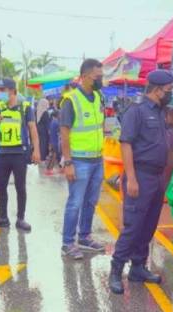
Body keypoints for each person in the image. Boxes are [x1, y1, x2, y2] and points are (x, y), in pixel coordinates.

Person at [108, 70, 173, 294]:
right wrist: (131, 178)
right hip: (140, 175)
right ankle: (116, 270)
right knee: (133, 226)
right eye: (168, 90)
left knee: (149, 225)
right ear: (156, 90)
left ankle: (138, 267)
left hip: (156, 176)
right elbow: (126, 144)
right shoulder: (137, 111)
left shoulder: (161, 113)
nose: (170, 94)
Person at [60, 59, 106, 260]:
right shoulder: (71, 100)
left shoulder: (98, 97)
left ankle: (85, 236)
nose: (100, 80)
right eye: (98, 77)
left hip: (97, 159)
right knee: (75, 202)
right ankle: (68, 242)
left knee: (91, 201)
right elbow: (64, 133)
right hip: (79, 161)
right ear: (85, 76)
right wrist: (68, 162)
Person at [0, 78, 39, 231]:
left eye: (2, 90)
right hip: (2, 153)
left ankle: (20, 219)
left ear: (12, 91)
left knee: (20, 187)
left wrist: (37, 150)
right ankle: (3, 218)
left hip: (19, 153)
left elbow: (33, 129)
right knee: (0, 186)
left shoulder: (26, 107)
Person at [37, 97, 51, 161]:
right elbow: (47, 123)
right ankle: (42, 158)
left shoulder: (37, 111)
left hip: (38, 130)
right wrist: (49, 131)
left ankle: (39, 156)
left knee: (39, 143)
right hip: (44, 131)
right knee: (43, 143)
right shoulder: (45, 113)